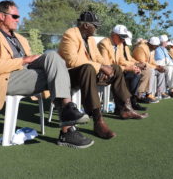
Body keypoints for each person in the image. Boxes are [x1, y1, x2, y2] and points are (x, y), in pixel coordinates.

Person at [0, 0, 93, 149]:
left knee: (52, 56)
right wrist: (24, 60)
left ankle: (68, 112)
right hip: (5, 79)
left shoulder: (21, 39)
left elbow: (32, 63)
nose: (18, 20)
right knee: (60, 76)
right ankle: (67, 128)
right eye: (15, 16)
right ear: (1, 16)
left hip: (27, 75)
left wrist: (33, 60)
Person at [58, 11, 148, 140]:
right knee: (89, 68)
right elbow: (72, 61)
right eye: (95, 26)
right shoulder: (70, 34)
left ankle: (125, 108)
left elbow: (98, 57)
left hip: (87, 73)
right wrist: (100, 67)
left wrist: (108, 68)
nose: (97, 28)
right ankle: (98, 120)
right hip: (69, 75)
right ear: (86, 25)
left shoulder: (90, 39)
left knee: (116, 68)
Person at [97, 25, 148, 111]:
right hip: (105, 71)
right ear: (114, 35)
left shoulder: (119, 44)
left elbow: (121, 60)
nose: (123, 40)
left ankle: (132, 101)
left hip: (117, 70)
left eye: (124, 38)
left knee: (135, 74)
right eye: (121, 37)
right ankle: (123, 106)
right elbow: (107, 64)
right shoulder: (104, 44)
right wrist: (126, 68)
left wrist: (134, 66)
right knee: (126, 74)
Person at [123, 31, 159, 105]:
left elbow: (130, 59)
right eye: (155, 46)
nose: (156, 47)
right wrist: (136, 64)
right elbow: (141, 61)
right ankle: (138, 96)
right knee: (147, 71)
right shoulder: (141, 48)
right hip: (123, 68)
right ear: (150, 44)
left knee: (147, 71)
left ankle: (139, 96)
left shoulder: (125, 47)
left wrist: (157, 67)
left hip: (131, 66)